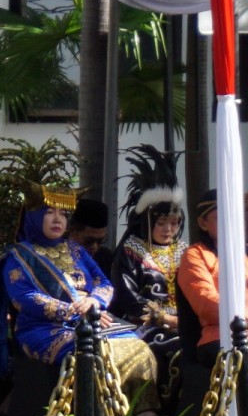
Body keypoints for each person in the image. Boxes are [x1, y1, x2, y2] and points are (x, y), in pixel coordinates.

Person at [0, 183, 158, 411]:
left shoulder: (75, 250)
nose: (58, 220)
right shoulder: (18, 255)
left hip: (93, 318)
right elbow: (24, 296)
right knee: (94, 354)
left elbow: (102, 282)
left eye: (63, 214)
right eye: (49, 213)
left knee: (139, 349)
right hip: (42, 328)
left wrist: (94, 302)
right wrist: (75, 311)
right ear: (34, 215)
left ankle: (137, 414)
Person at [109, 145, 186, 358]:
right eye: (162, 223)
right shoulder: (131, 251)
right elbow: (129, 299)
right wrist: (164, 318)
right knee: (177, 351)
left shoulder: (185, 251)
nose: (169, 229)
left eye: (174, 223)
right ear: (147, 221)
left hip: (186, 323)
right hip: (145, 327)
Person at [177, 189, 248, 367]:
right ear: (203, 223)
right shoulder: (194, 255)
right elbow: (206, 304)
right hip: (219, 337)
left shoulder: (243, 255)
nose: (230, 224)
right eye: (220, 218)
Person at [69, 197, 114, 275]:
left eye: (100, 241)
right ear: (73, 231)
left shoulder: (107, 259)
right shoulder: (56, 253)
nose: (95, 247)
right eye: (89, 241)